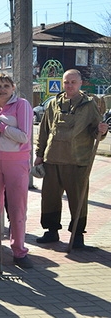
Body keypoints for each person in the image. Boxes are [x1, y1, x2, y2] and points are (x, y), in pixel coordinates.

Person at [35, 69, 108, 248]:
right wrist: (39, 155)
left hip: (77, 161)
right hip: (52, 160)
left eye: (73, 82)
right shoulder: (53, 104)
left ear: (80, 83)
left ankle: (77, 236)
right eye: (66, 82)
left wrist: (101, 131)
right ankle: (51, 231)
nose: (69, 85)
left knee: (78, 200)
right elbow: (44, 131)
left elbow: (95, 132)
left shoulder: (89, 105)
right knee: (49, 198)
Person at [0, 73, 33, 269]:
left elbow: (24, 137)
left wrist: (1, 127)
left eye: (6, 85)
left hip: (16, 162)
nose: (2, 89)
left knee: (17, 208)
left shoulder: (22, 105)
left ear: (13, 87)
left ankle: (19, 251)